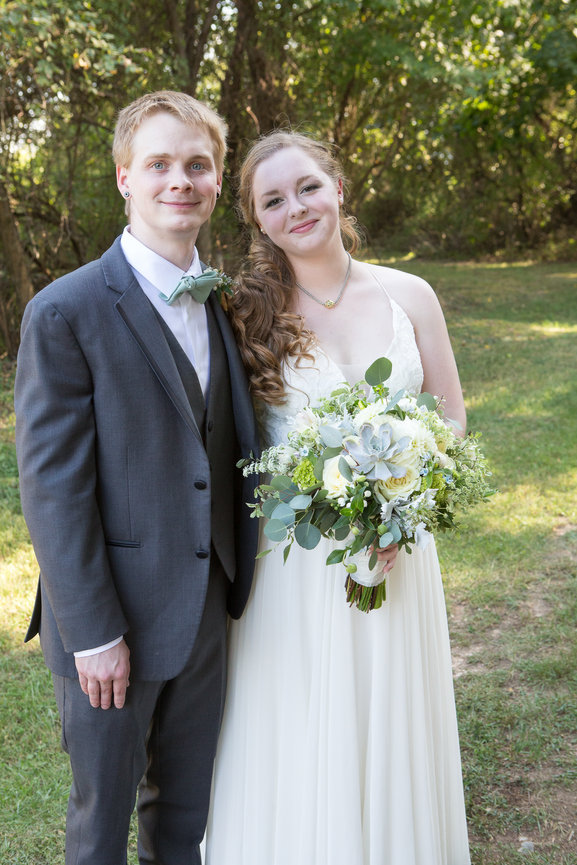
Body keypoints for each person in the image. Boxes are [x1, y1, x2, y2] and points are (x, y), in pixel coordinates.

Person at [204, 130, 471, 865]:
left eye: (308, 186)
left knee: (392, 718)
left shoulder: (410, 294)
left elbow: (449, 416)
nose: (296, 206)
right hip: (297, 564)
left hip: (399, 552)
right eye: (273, 199)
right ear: (256, 220)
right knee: (299, 721)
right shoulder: (245, 312)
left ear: (338, 187)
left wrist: (403, 509)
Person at [14, 90, 259, 865]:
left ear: (218, 180)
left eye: (197, 165)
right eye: (158, 164)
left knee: (183, 816)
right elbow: (53, 486)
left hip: (208, 609)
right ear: (124, 176)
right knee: (101, 821)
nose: (178, 180)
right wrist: (94, 633)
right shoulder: (66, 311)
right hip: (111, 621)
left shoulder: (224, 303)